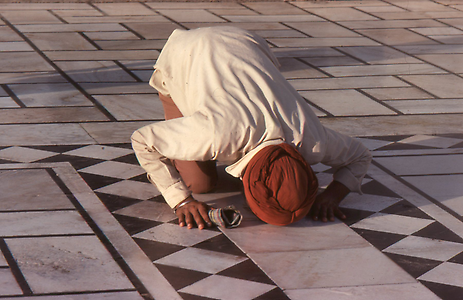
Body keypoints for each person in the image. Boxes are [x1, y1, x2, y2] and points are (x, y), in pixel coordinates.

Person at [131, 26, 371, 230]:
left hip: (246, 42)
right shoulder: (216, 134)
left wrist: (332, 196)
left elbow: (360, 155)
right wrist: (181, 201)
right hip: (188, 52)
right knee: (199, 185)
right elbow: (142, 140)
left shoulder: (313, 141)